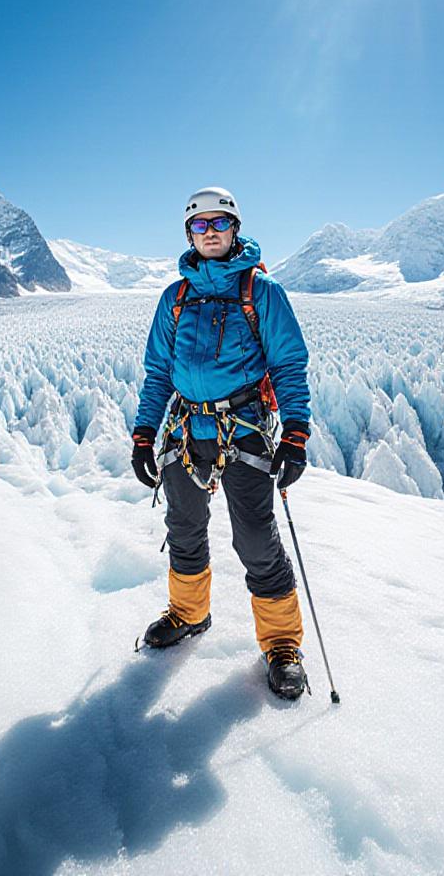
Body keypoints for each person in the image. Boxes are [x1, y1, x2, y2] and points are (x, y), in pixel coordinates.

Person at [131, 187, 313, 700]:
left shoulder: (262, 292)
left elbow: (288, 366)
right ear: (189, 234)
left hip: (244, 428)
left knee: (255, 536)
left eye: (218, 223)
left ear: (235, 228)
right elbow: (158, 374)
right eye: (199, 225)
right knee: (184, 527)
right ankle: (190, 614)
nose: (208, 232)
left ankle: (281, 644)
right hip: (187, 430)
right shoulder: (176, 296)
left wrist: (296, 434)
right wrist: (145, 433)